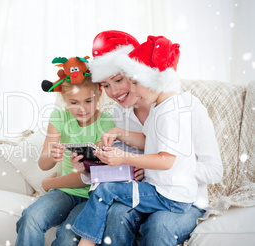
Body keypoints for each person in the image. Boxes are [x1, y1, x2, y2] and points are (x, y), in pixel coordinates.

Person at [71, 34, 223, 246]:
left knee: (159, 227)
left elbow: (212, 170)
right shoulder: (122, 113)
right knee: (116, 215)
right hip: (148, 190)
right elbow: (136, 155)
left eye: (119, 80)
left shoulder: (182, 107)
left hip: (179, 197)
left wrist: (150, 168)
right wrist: (91, 166)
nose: (115, 92)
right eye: (105, 85)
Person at [15, 74, 116, 246]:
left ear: (99, 95)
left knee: (68, 237)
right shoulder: (59, 117)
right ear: (64, 99)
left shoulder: (106, 122)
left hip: (92, 196)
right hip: (64, 192)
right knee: (30, 217)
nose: (81, 109)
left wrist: (50, 183)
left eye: (88, 101)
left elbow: (94, 174)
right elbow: (43, 163)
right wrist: (52, 156)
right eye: (74, 102)